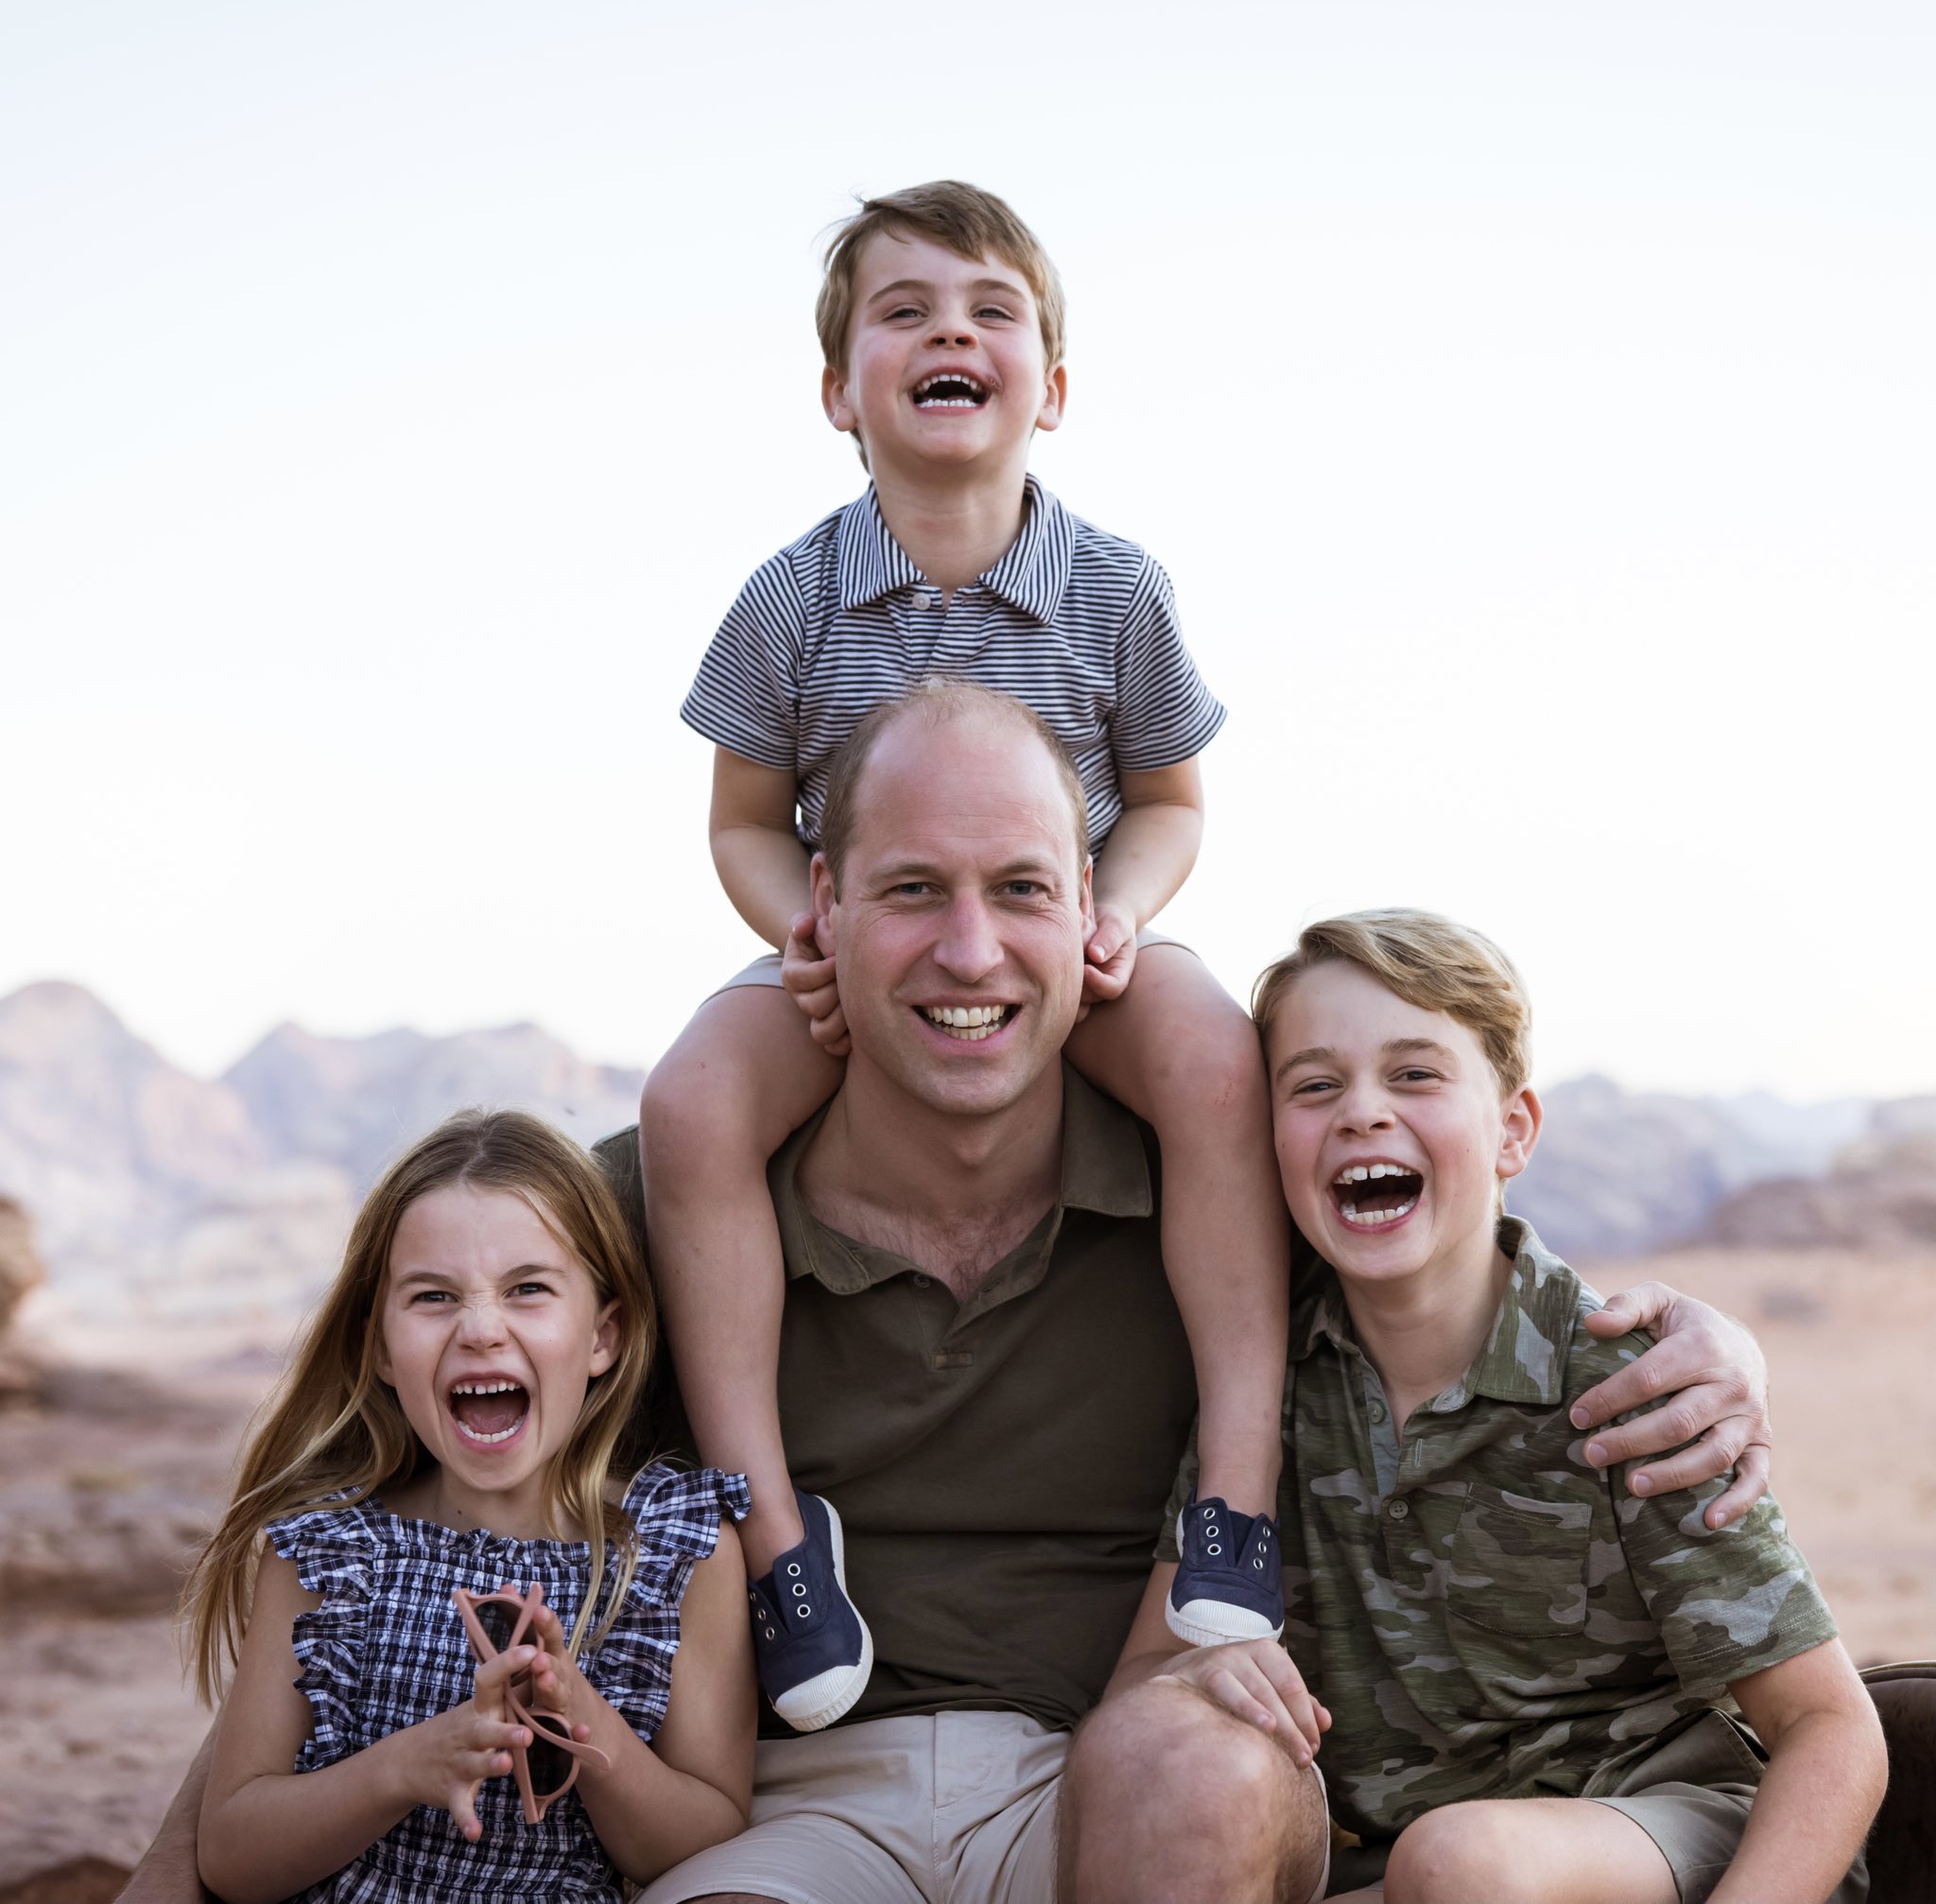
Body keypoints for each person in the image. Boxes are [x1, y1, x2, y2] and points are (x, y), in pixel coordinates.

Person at [121, 688, 1778, 1904]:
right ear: (818, 914)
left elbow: (1445, 1242)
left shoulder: (1216, 1198)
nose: (968, 950)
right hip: (790, 1806)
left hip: (1124, 1779)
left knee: (1191, 1760)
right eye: (911, 889)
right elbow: (379, 1510)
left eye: (1019, 890)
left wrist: (1716, 1336)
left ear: (1096, 924)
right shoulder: (664, 1221)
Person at [642, 178, 1293, 1731]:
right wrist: (791, 928)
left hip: (1065, 941)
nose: (952, 331)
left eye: (991, 309)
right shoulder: (791, 599)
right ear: (837, 388)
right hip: (864, 954)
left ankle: (1237, 1493)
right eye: (905, 311)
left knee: (1212, 1053)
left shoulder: (1114, 589)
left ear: (1050, 388)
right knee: (688, 1103)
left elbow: (1168, 798)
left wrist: (1114, 909)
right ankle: (778, 1541)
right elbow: (739, 819)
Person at [1106, 910, 1883, 1903]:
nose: (1360, 1112)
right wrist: (1192, 1680)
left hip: (1674, 1833)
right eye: (1313, 1084)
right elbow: (1140, 1683)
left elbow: (1830, 1726)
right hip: (1413, 1870)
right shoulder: (1266, 1385)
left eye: (1414, 1073)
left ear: (1512, 1127)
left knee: (1461, 1857)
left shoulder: (1626, 1382)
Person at [180, 1109, 756, 1903]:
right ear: (379, 1348)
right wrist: (402, 1767)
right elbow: (232, 1857)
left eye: (528, 1290)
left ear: (603, 1336)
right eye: (433, 1296)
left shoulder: (674, 1551)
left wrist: (577, 1718)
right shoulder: (330, 1552)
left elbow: (699, 1843)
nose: (482, 1329)